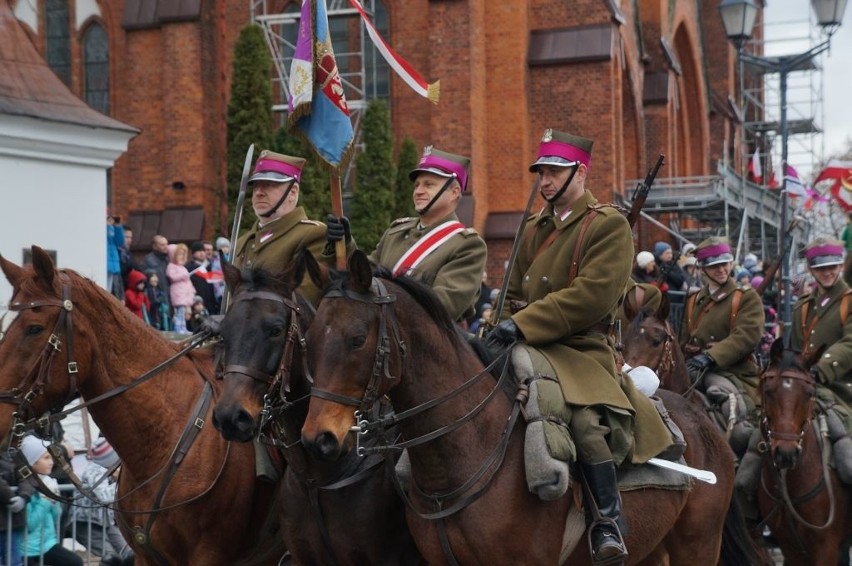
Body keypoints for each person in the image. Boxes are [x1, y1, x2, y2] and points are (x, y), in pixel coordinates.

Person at [485, 129, 679, 563]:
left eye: (554, 171)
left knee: (587, 423)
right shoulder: (535, 227)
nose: (545, 180)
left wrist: (522, 324)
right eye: (541, 172)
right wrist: (498, 324)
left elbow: (591, 295)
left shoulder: (606, 224)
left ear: (580, 172)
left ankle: (607, 521)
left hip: (580, 349)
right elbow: (513, 289)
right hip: (528, 339)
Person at [342, 146, 486, 323]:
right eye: (417, 185)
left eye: (428, 185)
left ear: (454, 192)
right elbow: (363, 279)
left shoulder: (467, 245)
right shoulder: (395, 232)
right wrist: (345, 243)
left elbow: (442, 307)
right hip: (382, 339)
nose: (418, 191)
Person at [232, 150, 353, 306]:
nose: (259, 193)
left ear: (292, 192)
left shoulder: (312, 233)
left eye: (268, 185)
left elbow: (304, 298)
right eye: (256, 186)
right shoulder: (243, 241)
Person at [681, 236, 764, 457]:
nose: (721, 269)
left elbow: (746, 336)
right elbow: (683, 340)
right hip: (693, 369)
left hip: (732, 372)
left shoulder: (745, 298)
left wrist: (710, 357)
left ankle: (738, 463)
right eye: (714, 265)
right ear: (703, 269)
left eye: (725, 263)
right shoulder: (692, 300)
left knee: (736, 418)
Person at [790, 238, 852, 430]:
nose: (827, 272)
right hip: (804, 386)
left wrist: (819, 368)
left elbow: (850, 343)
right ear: (810, 270)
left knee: (843, 442)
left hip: (841, 387)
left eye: (832, 267)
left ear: (840, 265)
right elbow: (794, 348)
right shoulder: (802, 306)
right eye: (820, 268)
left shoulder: (849, 301)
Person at [18, 435, 84, 566]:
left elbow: (56, 517)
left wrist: (54, 501)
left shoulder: (48, 483)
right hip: (28, 549)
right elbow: (30, 524)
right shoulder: (25, 487)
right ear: (32, 462)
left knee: (75, 562)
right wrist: (46, 501)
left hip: (47, 543)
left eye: (51, 457)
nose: (51, 462)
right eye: (46, 458)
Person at [71, 438, 134, 566]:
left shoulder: (110, 471)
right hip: (86, 523)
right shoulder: (93, 471)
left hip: (106, 522)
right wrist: (124, 483)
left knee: (129, 553)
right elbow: (104, 496)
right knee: (110, 557)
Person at [1, 450, 34, 566]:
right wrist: (10, 498)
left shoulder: (13, 452)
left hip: (9, 524)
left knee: (14, 562)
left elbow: (28, 476)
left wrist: (24, 496)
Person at [166, 243, 195, 334]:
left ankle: (183, 327)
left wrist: (192, 290)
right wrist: (184, 276)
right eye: (179, 254)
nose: (182, 256)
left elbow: (188, 281)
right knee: (179, 312)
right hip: (178, 292)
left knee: (183, 312)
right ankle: (178, 328)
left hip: (185, 293)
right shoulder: (171, 266)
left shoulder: (182, 267)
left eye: (183, 254)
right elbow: (172, 276)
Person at [142, 235, 171, 316]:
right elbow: (144, 275)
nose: (166, 247)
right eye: (162, 245)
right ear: (154, 246)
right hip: (156, 297)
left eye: (166, 244)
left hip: (168, 296)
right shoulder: (148, 260)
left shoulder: (168, 260)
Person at [187, 241, 218, 314]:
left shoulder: (211, 266)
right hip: (198, 304)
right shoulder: (189, 268)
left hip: (212, 304)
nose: (201, 253)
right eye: (198, 251)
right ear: (193, 254)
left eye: (203, 251)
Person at [106, 216, 125, 301]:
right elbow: (108, 234)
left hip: (113, 262)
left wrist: (117, 227)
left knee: (108, 290)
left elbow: (120, 242)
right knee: (105, 288)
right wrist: (108, 226)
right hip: (107, 262)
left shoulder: (112, 228)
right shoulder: (106, 228)